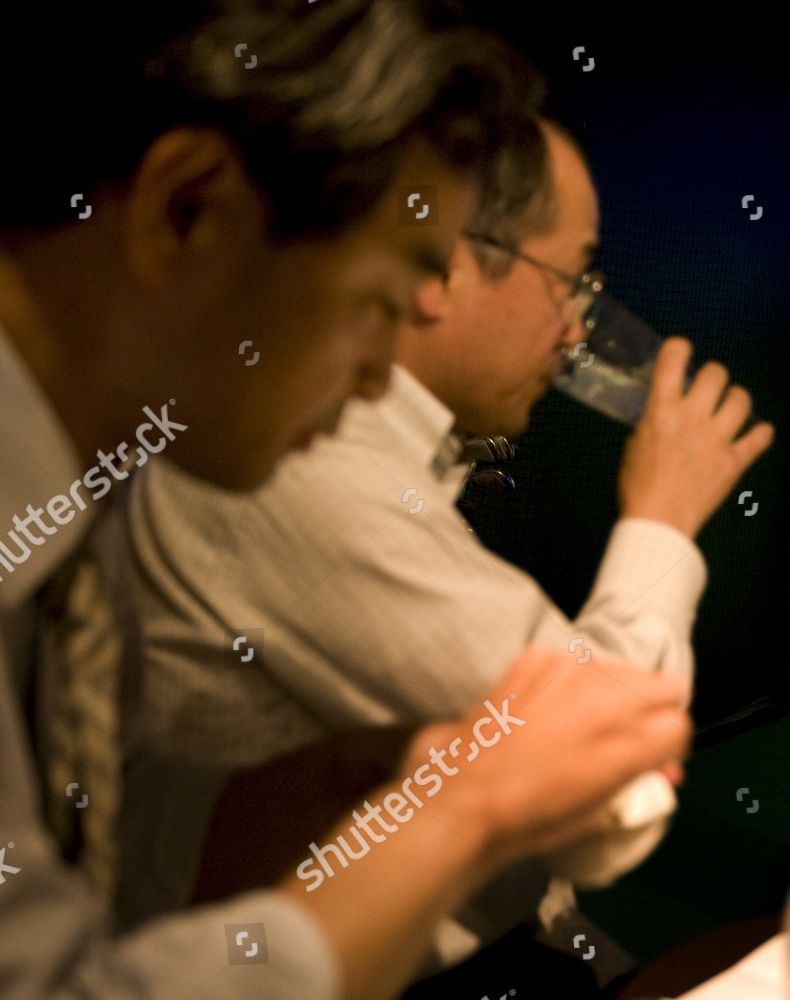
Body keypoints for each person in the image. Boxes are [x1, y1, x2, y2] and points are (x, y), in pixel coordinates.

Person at [0, 5, 689, 1000]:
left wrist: (380, 775)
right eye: (379, 300)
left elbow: (104, 837)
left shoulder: (89, 505)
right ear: (189, 210)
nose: (378, 379)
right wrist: (470, 808)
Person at [120, 112, 773, 989]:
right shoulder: (292, 468)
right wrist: (661, 518)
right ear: (449, 265)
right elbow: (614, 801)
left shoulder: (379, 455)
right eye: (571, 280)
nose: (580, 332)